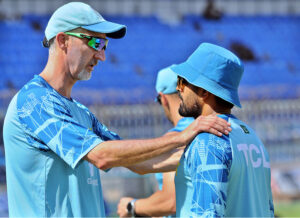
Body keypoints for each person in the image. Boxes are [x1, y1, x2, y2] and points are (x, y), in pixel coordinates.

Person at [2, 2, 231, 217]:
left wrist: (215, 153)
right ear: (63, 41)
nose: (102, 55)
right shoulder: (33, 102)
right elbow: (103, 156)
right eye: (95, 43)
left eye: (105, 45)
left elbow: (140, 162)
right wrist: (180, 138)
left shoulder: (79, 111)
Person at [170, 42, 274, 217]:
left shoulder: (208, 141)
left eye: (182, 82)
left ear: (203, 91)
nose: (178, 89)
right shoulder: (252, 137)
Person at [117, 66, 194, 217]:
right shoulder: (210, 128)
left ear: (163, 98)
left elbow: (171, 201)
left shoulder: (175, 138)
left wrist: (131, 206)